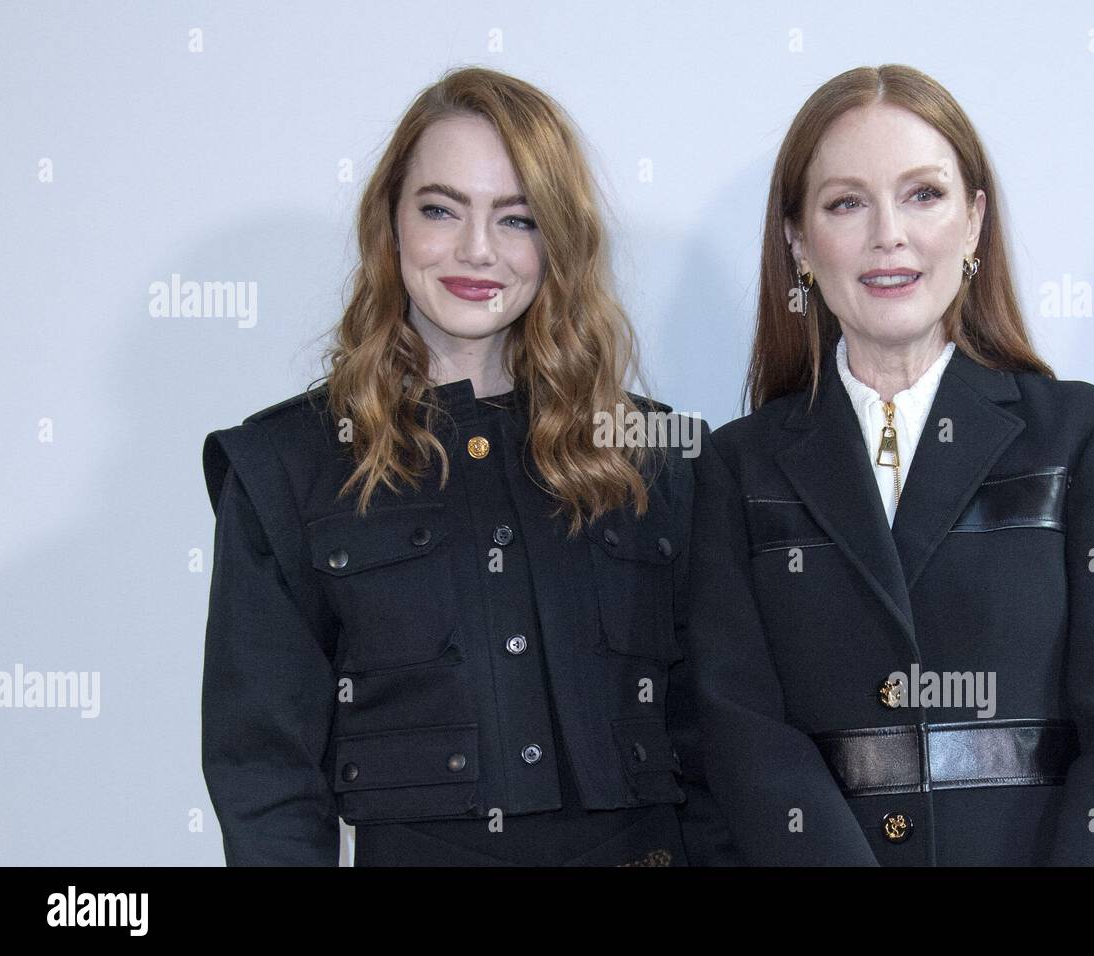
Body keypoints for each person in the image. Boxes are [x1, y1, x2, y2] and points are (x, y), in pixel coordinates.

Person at [200, 66, 735, 866]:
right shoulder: (287, 466)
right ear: (390, 222)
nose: (477, 250)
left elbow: (717, 744)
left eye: (517, 219)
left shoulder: (662, 458)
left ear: (560, 240)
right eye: (441, 209)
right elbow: (265, 773)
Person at [687, 64, 1094, 865]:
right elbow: (741, 735)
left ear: (975, 221)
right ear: (800, 242)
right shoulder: (736, 468)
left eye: (924, 194)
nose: (889, 235)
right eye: (847, 203)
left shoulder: (1086, 437)